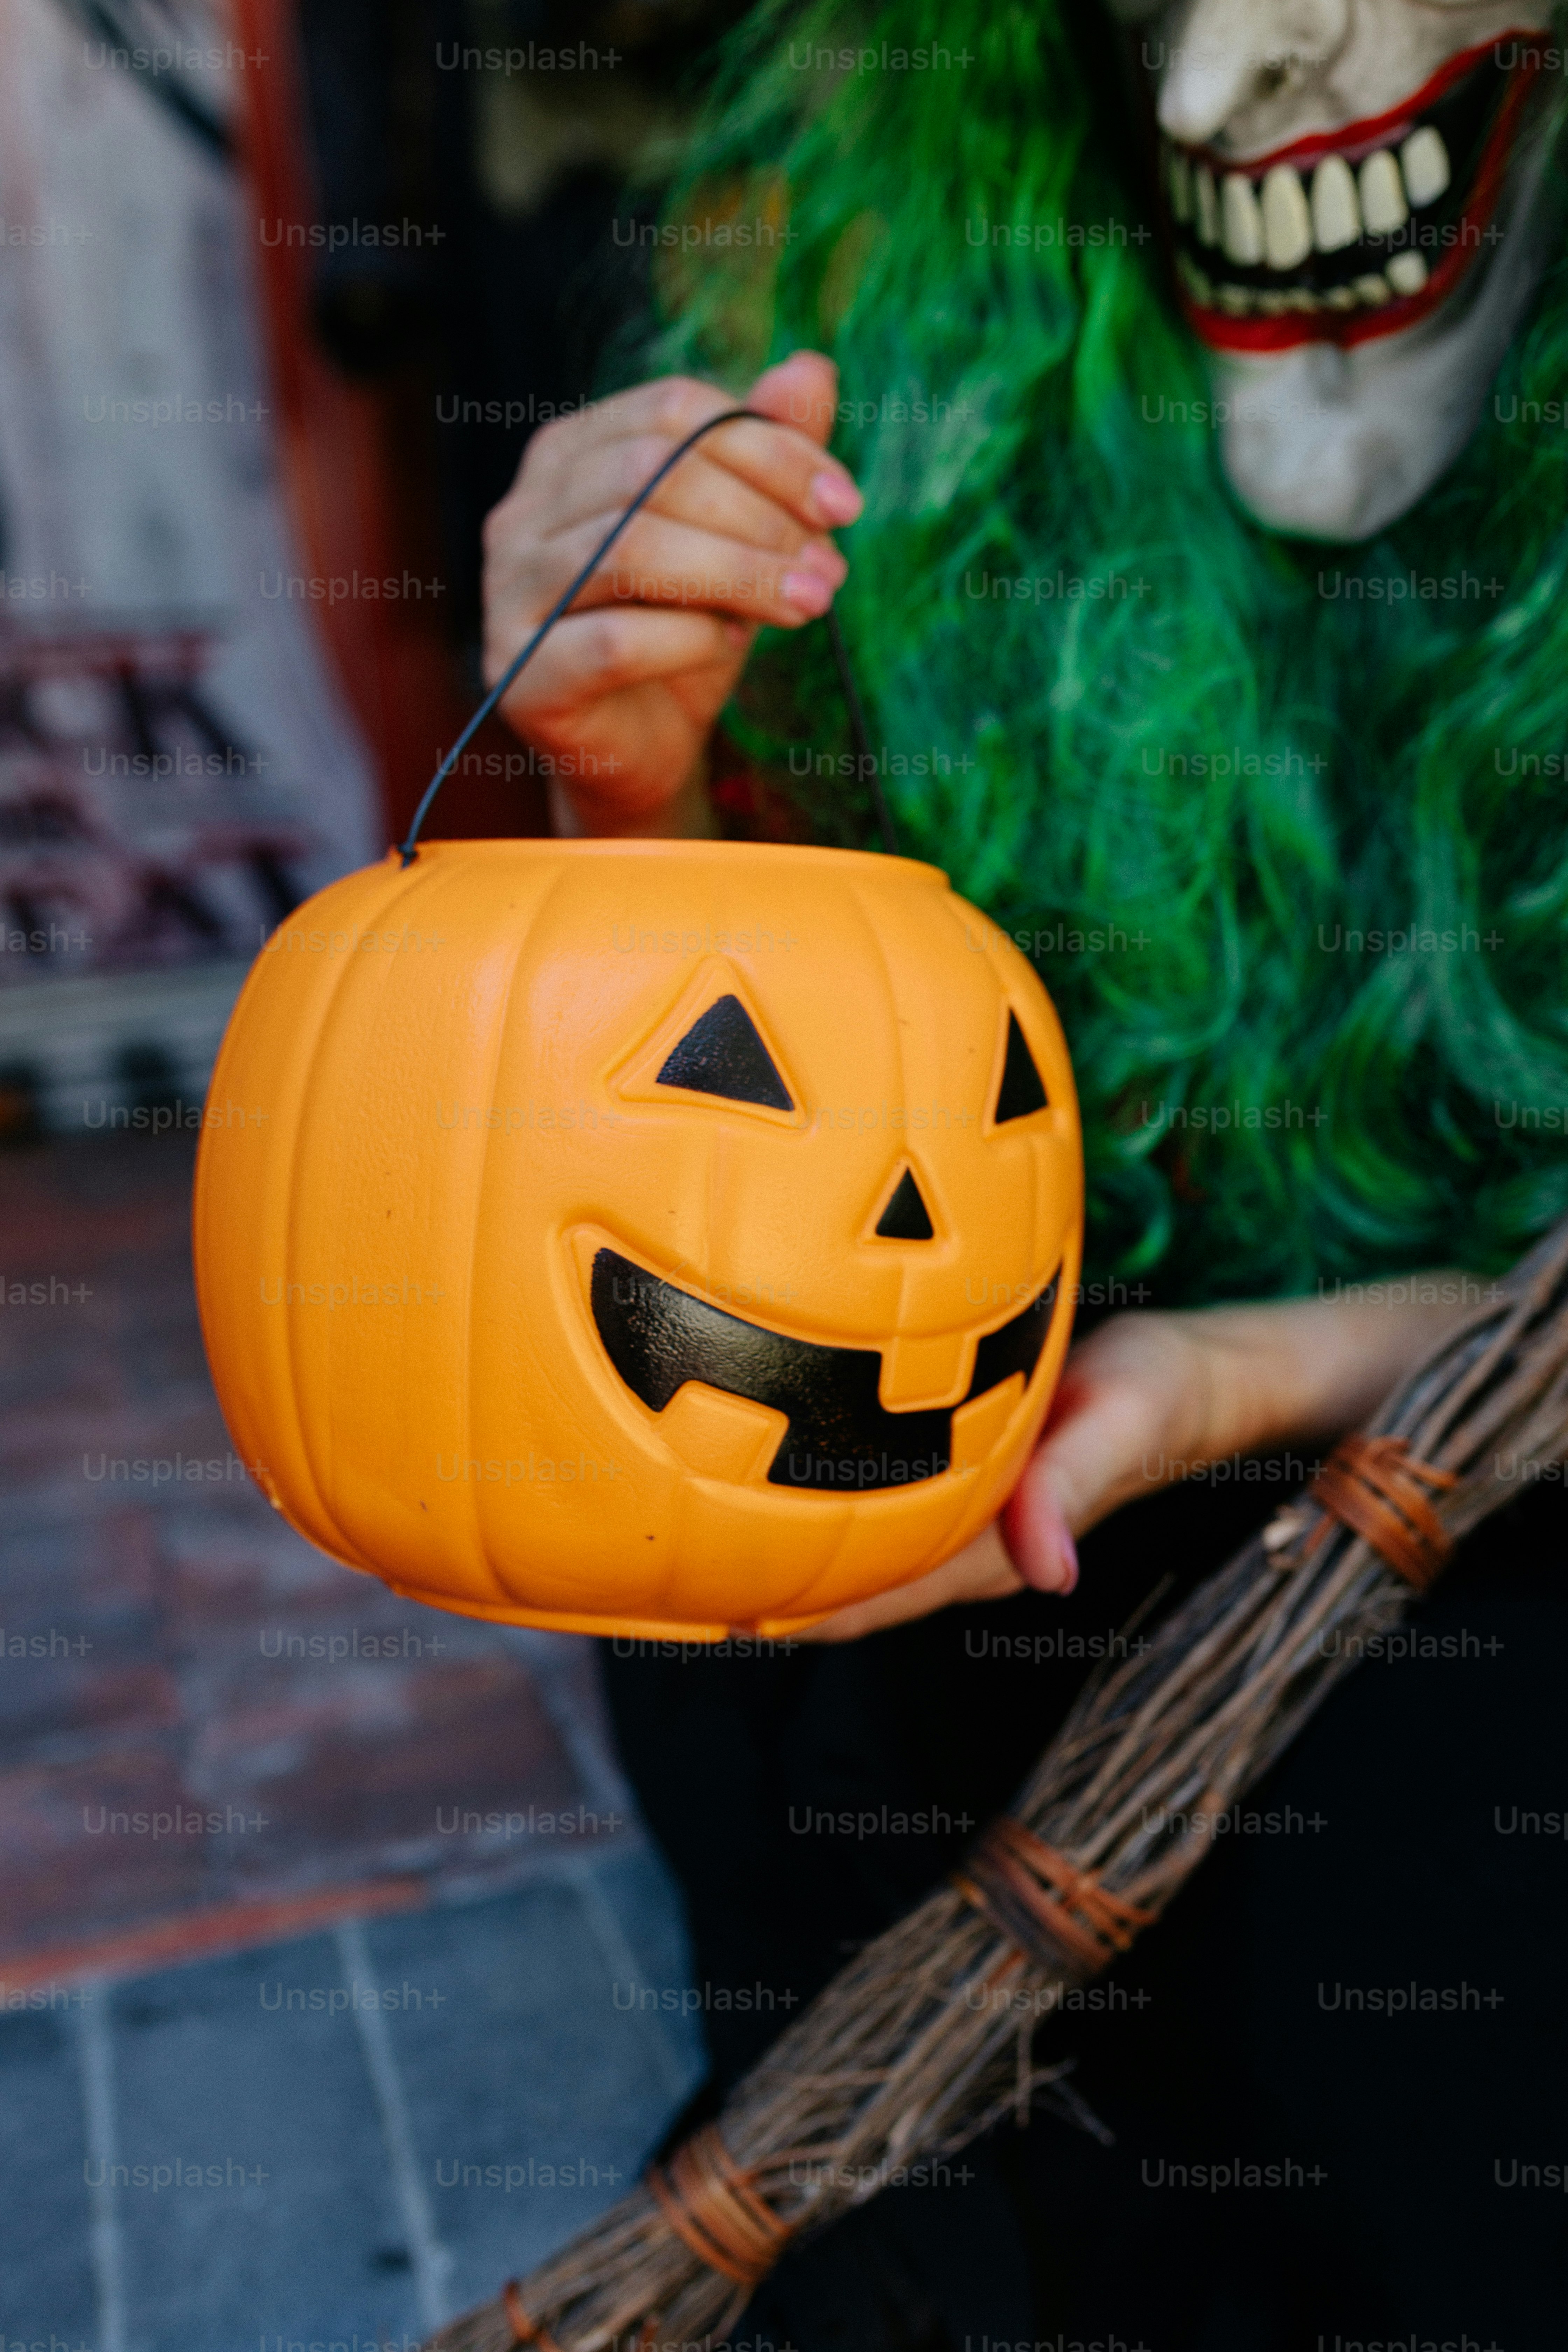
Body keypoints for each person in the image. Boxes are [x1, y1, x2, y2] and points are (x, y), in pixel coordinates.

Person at [481, 4, 1568, 2343]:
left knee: (1427, 1804)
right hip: (1083, 1445)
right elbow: (716, 1157)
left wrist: (1234, 1385)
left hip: (1459, 1542)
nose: (1209, 92)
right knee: (727, 1533)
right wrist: (635, 798)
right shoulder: (916, 344)